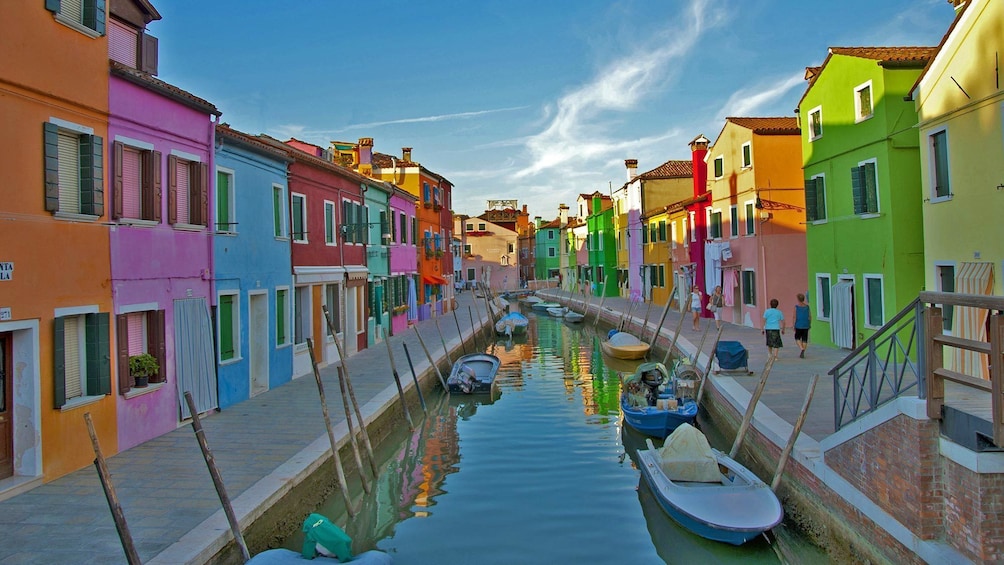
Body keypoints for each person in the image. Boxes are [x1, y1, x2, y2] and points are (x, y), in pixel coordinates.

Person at [793, 293, 812, 358]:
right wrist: (809, 323)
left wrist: (793, 325)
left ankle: (802, 348)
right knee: (805, 338)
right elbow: (810, 316)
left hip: (798, 324)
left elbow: (794, 317)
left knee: (797, 337)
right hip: (806, 324)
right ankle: (803, 350)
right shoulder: (807, 307)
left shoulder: (796, 307)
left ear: (798, 299)